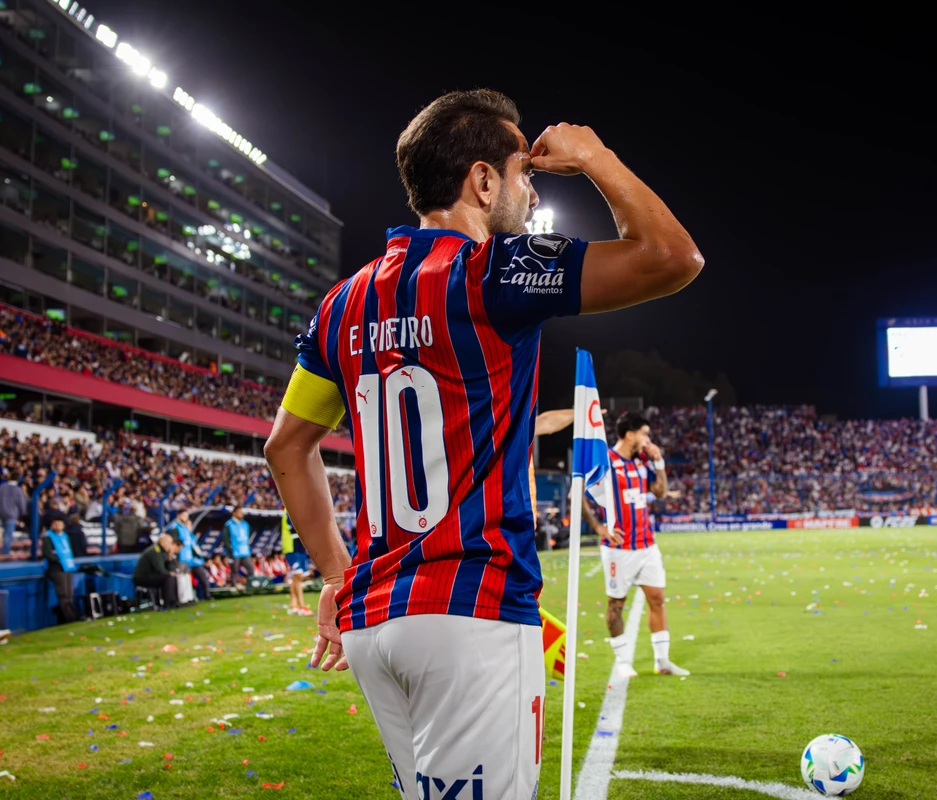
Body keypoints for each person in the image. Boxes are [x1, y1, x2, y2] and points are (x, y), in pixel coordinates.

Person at [262, 88, 703, 800]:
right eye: (521, 174)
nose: (531, 192)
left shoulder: (341, 304)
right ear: (482, 180)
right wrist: (594, 157)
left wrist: (338, 577)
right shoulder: (494, 272)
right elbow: (671, 257)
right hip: (472, 613)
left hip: (376, 623)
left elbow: (286, 449)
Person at [579, 412, 685, 676]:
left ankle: (662, 662)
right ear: (629, 434)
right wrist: (599, 527)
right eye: (644, 433)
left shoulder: (641, 461)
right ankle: (622, 662)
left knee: (657, 599)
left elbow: (660, 492)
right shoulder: (606, 461)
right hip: (619, 549)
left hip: (647, 545)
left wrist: (659, 462)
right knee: (615, 605)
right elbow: (576, 493)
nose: (647, 439)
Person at [40, 513, 79, 623]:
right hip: (56, 568)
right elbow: (47, 553)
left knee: (69, 592)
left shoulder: (65, 536)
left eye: (59, 524)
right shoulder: (47, 537)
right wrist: (57, 559)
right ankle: (69, 617)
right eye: (55, 524)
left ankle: (72, 614)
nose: (57, 526)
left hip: (67, 566)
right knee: (63, 594)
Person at [165, 509, 211, 601]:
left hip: (187, 557)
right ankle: (182, 599)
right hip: (180, 557)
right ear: (178, 515)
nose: (185, 518)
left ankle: (188, 598)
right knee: (180, 578)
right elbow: (174, 544)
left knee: (186, 578)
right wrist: (174, 556)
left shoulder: (184, 528)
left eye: (187, 516)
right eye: (184, 515)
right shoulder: (174, 527)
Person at [133, 534, 181, 608]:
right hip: (142, 577)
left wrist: (170, 556)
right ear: (162, 543)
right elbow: (160, 569)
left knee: (172, 576)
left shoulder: (164, 552)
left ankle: (174, 602)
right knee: (168, 577)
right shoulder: (155, 551)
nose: (170, 546)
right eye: (169, 543)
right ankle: (168, 604)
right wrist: (169, 573)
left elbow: (171, 569)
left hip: (152, 576)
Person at [281, 513, 312, 616]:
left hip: (299, 547)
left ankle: (293, 605)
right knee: (298, 576)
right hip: (292, 547)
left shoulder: (294, 508)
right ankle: (302, 606)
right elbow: (296, 527)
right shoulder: (290, 509)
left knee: (297, 577)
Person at [0, 473, 27, 556]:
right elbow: (21, 503)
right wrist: (23, 513)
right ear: (17, 480)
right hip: (11, 515)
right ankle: (5, 552)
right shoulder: (18, 490)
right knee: (7, 534)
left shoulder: (1, 487)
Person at [221, 506, 254, 585]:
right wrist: (230, 549)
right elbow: (225, 538)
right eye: (239, 512)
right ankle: (233, 585)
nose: (241, 514)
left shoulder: (245, 524)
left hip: (245, 551)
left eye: (241, 512)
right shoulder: (229, 524)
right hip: (235, 552)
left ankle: (250, 584)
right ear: (234, 513)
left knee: (250, 568)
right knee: (234, 570)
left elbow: (247, 536)